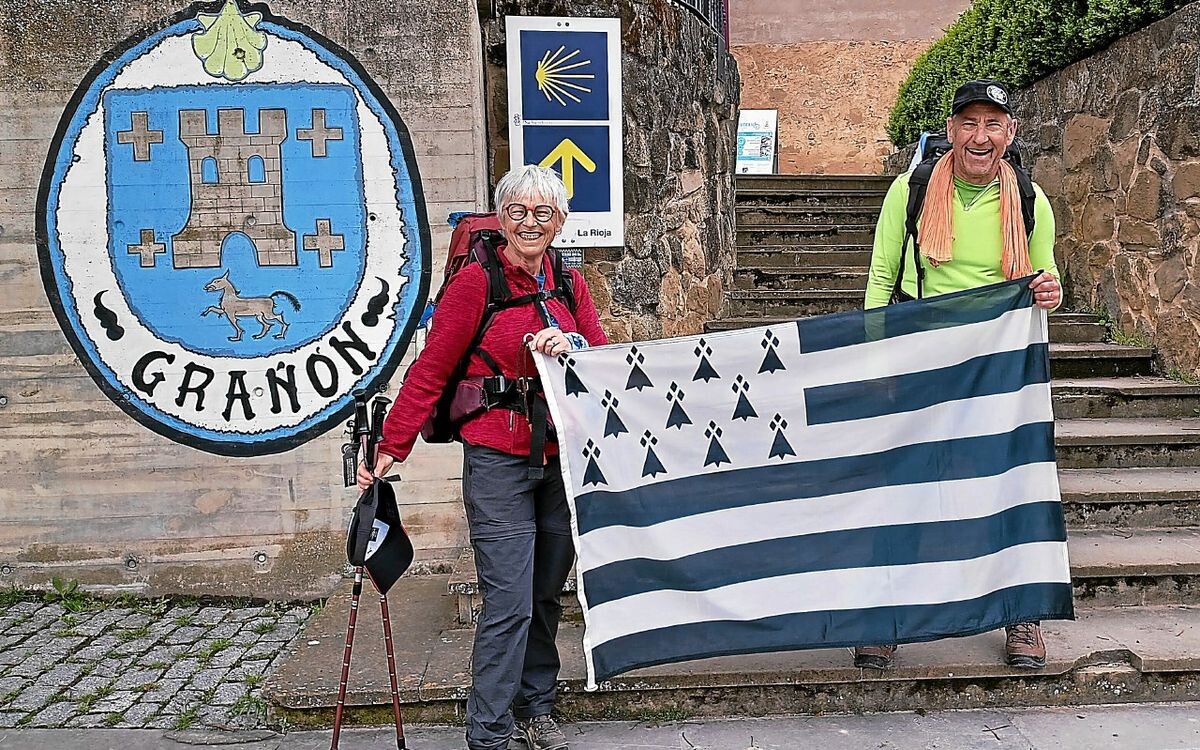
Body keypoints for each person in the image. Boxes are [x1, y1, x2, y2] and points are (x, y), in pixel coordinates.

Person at [357, 164, 607, 750]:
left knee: (547, 591)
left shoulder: (569, 282)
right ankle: (489, 731)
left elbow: (599, 358)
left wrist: (568, 345)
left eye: (542, 213)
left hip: (557, 457)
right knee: (510, 600)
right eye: (516, 211)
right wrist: (392, 445)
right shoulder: (477, 283)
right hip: (497, 460)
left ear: (560, 221)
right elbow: (432, 368)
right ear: (500, 218)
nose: (528, 223)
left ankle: (536, 708)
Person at [858, 79, 1063, 671]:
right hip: (922, 361)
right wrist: (876, 360)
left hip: (1000, 365)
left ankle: (1022, 615)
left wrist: (1051, 290)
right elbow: (880, 278)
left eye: (993, 125)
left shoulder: (1030, 200)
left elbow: (1045, 283)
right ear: (950, 131)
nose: (981, 137)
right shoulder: (912, 190)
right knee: (904, 485)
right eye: (969, 124)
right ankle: (884, 615)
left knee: (1012, 487)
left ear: (1010, 134)